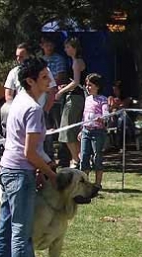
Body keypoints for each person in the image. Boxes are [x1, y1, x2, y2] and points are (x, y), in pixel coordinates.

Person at [0, 57, 57, 257]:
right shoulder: (34, 109)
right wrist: (50, 173)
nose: (50, 81)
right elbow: (29, 152)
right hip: (19, 173)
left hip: (7, 170)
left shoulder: (18, 101)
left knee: (6, 228)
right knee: (21, 233)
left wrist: (45, 163)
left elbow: (27, 148)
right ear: (30, 81)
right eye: (45, 77)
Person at [56, 37, 86, 168]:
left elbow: (76, 82)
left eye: (68, 47)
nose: (66, 50)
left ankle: (76, 159)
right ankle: (78, 157)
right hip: (74, 96)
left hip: (75, 98)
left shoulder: (77, 62)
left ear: (74, 48)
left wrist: (61, 92)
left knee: (67, 129)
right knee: (71, 130)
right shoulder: (74, 61)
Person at [79, 73, 109, 188]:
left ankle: (97, 183)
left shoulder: (103, 100)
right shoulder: (87, 99)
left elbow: (106, 113)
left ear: (97, 86)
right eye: (86, 85)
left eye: (90, 85)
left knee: (97, 156)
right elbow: (84, 116)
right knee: (84, 156)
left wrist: (103, 118)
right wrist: (81, 130)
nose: (87, 87)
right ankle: (84, 182)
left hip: (98, 132)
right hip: (86, 131)